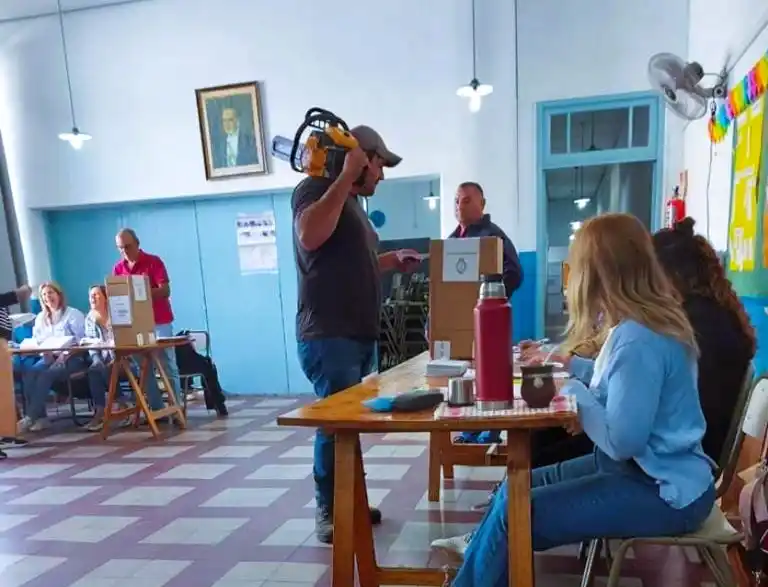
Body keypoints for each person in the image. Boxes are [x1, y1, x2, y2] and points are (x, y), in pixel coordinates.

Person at [442, 214, 715, 587]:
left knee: (515, 513)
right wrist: (573, 370)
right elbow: (620, 383)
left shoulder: (637, 339)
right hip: (647, 473)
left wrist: (573, 392)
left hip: (664, 491)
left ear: (597, 273)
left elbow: (622, 441)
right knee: (512, 490)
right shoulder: (640, 327)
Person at [291, 124, 421, 544]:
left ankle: (350, 499)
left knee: (347, 424)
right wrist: (346, 176)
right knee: (334, 425)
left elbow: (351, 262)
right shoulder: (313, 190)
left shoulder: (350, 203)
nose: (380, 175)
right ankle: (329, 510)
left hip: (355, 334)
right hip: (329, 334)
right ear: (358, 158)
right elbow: (309, 235)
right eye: (378, 164)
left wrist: (389, 261)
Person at [451, 181, 523, 445]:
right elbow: (442, 290)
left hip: (488, 322)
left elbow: (515, 272)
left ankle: (491, 429)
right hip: (459, 324)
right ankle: (469, 427)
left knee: (490, 373)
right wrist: (432, 322)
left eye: (467, 200)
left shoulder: (493, 237)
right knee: (465, 375)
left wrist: (492, 303)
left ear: (482, 203)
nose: (460, 205)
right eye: (457, 200)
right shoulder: (451, 241)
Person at [113, 229, 195, 414]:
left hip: (159, 320)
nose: (125, 251)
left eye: (128, 247)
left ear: (137, 244)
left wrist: (139, 292)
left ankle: (176, 408)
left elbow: (165, 290)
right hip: (135, 323)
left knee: (167, 364)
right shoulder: (118, 269)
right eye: (120, 248)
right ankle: (158, 410)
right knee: (143, 367)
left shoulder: (153, 261)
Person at [16, 282, 86, 432]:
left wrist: (65, 354)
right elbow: (38, 340)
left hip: (72, 358)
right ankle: (41, 418)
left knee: (46, 375)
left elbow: (83, 342)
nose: (48, 297)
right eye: (44, 295)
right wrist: (41, 351)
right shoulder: (41, 318)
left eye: (50, 293)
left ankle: (30, 417)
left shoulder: (73, 314)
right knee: (30, 372)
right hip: (48, 357)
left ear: (59, 294)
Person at [83, 285, 128, 432]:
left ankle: (122, 407)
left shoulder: (117, 315)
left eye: (96, 295)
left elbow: (126, 340)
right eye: (91, 295)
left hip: (124, 359)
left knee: (107, 369)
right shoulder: (90, 318)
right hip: (103, 360)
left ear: (106, 298)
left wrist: (117, 357)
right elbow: (91, 342)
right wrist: (96, 359)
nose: (92, 298)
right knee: (95, 370)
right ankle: (101, 411)